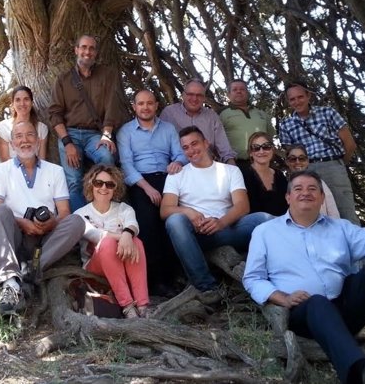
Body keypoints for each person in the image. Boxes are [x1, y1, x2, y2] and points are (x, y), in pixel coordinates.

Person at [243, 170, 365, 384]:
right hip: (303, 313)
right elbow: (253, 278)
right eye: (298, 189)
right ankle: (360, 373)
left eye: (313, 189)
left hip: (345, 308)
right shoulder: (265, 232)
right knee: (317, 302)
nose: (306, 193)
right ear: (288, 197)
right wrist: (282, 298)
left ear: (322, 198)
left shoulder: (340, 228)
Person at [0, 121, 85, 314]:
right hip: (16, 236)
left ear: (38, 141)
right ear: (12, 144)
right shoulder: (0, 170)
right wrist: (21, 221)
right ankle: (10, 282)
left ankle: (32, 269)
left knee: (77, 222)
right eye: (19, 136)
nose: (25, 140)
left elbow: (64, 212)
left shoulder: (54, 170)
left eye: (30, 135)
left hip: (45, 240)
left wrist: (51, 222)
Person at [160, 126, 272, 292]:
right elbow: (165, 210)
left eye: (194, 143)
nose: (191, 150)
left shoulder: (230, 171)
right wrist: (188, 212)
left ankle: (280, 272)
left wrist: (221, 223)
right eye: (185, 147)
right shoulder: (177, 175)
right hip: (196, 234)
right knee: (175, 221)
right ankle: (207, 287)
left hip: (227, 228)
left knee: (265, 219)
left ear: (206, 143)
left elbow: (242, 205)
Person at [117, 89, 186, 296]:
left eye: (149, 103)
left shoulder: (168, 129)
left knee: (172, 225)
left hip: (169, 179)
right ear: (134, 106)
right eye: (141, 104)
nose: (145, 107)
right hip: (141, 182)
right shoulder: (125, 132)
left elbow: (181, 154)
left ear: (156, 105)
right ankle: (155, 282)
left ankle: (174, 278)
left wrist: (177, 162)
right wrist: (147, 188)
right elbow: (127, 165)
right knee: (148, 227)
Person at [49, 34, 126, 211]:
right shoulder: (63, 80)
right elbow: (54, 114)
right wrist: (67, 143)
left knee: (107, 161)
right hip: (70, 134)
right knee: (74, 181)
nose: (87, 51)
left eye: (91, 48)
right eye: (83, 47)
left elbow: (111, 108)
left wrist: (107, 136)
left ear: (96, 52)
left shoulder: (108, 75)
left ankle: (106, 214)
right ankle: (83, 225)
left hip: (95, 135)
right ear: (76, 50)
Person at [74, 165, 149, 318]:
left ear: (116, 188)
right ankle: (127, 306)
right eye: (98, 183)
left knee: (137, 242)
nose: (103, 188)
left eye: (109, 184)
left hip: (122, 264)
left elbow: (133, 225)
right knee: (108, 243)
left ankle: (142, 305)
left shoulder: (124, 209)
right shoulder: (80, 214)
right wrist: (123, 236)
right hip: (94, 268)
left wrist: (128, 235)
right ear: (91, 185)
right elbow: (95, 234)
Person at [279, 81, 358, 223]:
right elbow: (291, 156)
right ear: (288, 102)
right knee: (312, 216)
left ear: (308, 96)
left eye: (300, 97)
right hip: (305, 171)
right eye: (292, 99)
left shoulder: (328, 113)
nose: (297, 101)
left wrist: (338, 164)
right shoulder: (286, 125)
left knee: (345, 212)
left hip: (332, 166)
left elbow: (349, 144)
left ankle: (355, 245)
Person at [160, 78, 237, 165]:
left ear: (204, 98)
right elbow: (160, 145)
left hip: (207, 166)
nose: (195, 98)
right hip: (178, 168)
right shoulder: (169, 113)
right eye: (190, 94)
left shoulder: (211, 116)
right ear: (183, 95)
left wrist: (232, 167)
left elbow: (224, 148)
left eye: (199, 95)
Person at [219, 79, 276, 170]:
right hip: (237, 165)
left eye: (242, 89)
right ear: (228, 95)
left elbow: (270, 137)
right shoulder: (221, 114)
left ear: (247, 93)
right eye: (235, 89)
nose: (239, 91)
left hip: (264, 162)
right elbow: (217, 140)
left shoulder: (261, 113)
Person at [284, 144, 340, 218]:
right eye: (292, 159)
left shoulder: (319, 183)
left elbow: (333, 211)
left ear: (307, 161)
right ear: (287, 162)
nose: (297, 162)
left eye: (301, 158)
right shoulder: (284, 185)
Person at [0, 85, 48, 162]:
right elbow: (4, 161)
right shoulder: (3, 128)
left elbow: (42, 161)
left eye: (26, 99)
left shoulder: (42, 128)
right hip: (10, 172)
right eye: (18, 100)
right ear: (13, 103)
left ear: (31, 102)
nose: (22, 104)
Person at [242, 132, 288, 216]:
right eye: (256, 148)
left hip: (280, 224)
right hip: (253, 225)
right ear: (250, 153)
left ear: (272, 150)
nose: (261, 151)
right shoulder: (243, 175)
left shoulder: (279, 175)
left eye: (266, 147)